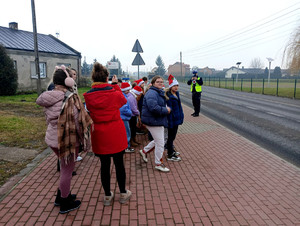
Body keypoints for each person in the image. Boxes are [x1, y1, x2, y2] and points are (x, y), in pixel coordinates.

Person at [36, 65, 93, 214]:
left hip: (52, 139)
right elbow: (77, 122)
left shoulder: (48, 96)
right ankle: (65, 202)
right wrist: (83, 140)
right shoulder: (69, 99)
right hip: (67, 140)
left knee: (64, 167)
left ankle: (60, 196)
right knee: (67, 171)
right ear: (68, 82)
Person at [83, 63, 132, 206]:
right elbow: (123, 100)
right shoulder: (114, 92)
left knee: (104, 166)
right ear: (107, 78)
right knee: (119, 164)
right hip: (115, 131)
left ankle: (107, 196)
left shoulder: (88, 96)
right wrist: (115, 84)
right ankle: (123, 193)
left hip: (99, 133)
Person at [139, 76, 171, 172]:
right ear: (153, 83)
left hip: (156, 120)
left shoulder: (157, 91)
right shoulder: (152, 93)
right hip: (153, 121)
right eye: (158, 82)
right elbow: (153, 107)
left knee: (158, 140)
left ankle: (144, 151)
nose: (160, 83)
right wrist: (166, 110)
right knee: (160, 143)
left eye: (161, 82)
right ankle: (158, 163)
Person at [165, 75, 184, 161]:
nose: (176, 87)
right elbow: (170, 111)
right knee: (170, 137)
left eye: (177, 85)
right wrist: (171, 122)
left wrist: (181, 116)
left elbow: (179, 107)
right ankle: (170, 154)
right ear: (170, 87)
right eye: (174, 86)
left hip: (177, 119)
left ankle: (171, 149)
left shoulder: (176, 94)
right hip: (172, 121)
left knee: (173, 137)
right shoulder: (169, 97)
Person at [120, 82, 134, 153]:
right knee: (127, 132)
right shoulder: (123, 96)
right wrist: (130, 113)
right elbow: (123, 109)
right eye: (127, 90)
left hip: (123, 117)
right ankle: (127, 147)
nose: (129, 91)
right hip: (124, 117)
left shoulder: (123, 95)